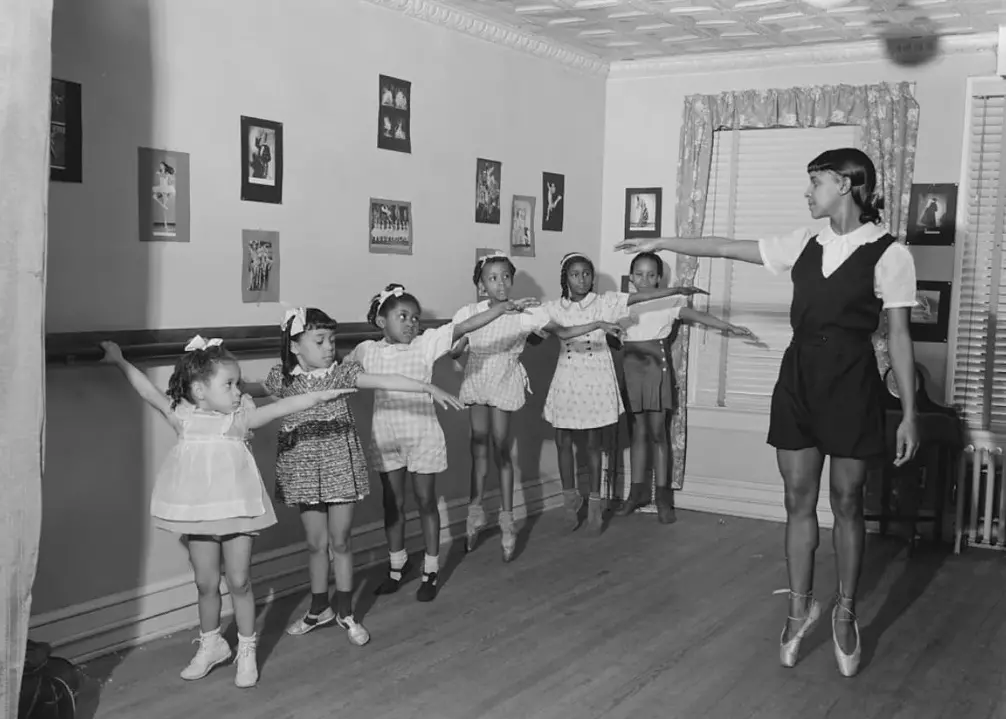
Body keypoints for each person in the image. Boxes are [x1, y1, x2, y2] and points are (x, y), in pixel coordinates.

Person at [615, 147, 920, 677]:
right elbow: (725, 247)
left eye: (816, 182)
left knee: (847, 502)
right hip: (799, 379)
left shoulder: (890, 254)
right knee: (797, 500)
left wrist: (910, 413)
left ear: (846, 185)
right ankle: (800, 608)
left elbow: (899, 336)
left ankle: (845, 612)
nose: (808, 192)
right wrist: (661, 242)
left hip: (852, 382)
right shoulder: (803, 243)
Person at [100, 336, 351, 688]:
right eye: (229, 384)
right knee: (205, 583)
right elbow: (147, 391)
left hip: (238, 511)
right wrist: (119, 358)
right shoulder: (182, 416)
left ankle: (246, 650)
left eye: (238, 383)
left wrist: (319, 396)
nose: (238, 391)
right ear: (200, 391)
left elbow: (282, 407)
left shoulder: (239, 419)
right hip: (200, 513)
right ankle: (212, 644)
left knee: (239, 581)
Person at [254, 307, 464, 643]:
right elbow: (255, 392)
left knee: (340, 541)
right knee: (316, 543)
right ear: (294, 346)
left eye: (331, 340)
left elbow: (386, 380)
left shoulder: (341, 374)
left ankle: (346, 611)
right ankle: (318, 608)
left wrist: (428, 388)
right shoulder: (284, 379)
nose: (329, 347)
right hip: (303, 471)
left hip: (340, 468)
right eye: (319, 340)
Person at [346, 283, 538, 601]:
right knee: (393, 503)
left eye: (415, 318)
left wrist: (501, 309)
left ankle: (431, 570)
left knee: (425, 501)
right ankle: (397, 565)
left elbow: (464, 326)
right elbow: (337, 373)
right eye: (402, 316)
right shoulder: (367, 351)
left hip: (422, 437)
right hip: (387, 438)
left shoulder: (426, 344)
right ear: (382, 321)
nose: (411, 323)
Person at [450, 251, 629, 561]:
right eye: (493, 278)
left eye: (506, 277)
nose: (501, 283)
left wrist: (598, 323)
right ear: (481, 285)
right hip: (477, 381)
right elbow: (454, 347)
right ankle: (474, 510)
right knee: (478, 446)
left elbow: (563, 332)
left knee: (501, 447)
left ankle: (507, 519)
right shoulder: (469, 311)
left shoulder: (525, 313)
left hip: (503, 382)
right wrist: (461, 343)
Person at [540, 252, 707, 535]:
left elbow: (640, 298)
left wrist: (677, 290)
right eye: (574, 274)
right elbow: (540, 330)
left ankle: (616, 503)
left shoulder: (607, 302)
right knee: (568, 440)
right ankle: (581, 500)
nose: (581, 279)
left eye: (586, 273)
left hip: (613, 378)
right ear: (565, 278)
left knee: (612, 441)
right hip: (575, 378)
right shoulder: (555, 308)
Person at [617, 251, 753, 523]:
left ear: (659, 278)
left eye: (651, 275)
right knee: (637, 434)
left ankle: (662, 498)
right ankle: (636, 494)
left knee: (658, 433)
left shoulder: (670, 302)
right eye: (639, 274)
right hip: (630, 370)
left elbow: (699, 316)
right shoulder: (620, 303)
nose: (644, 280)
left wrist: (728, 326)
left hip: (655, 369)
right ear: (631, 277)